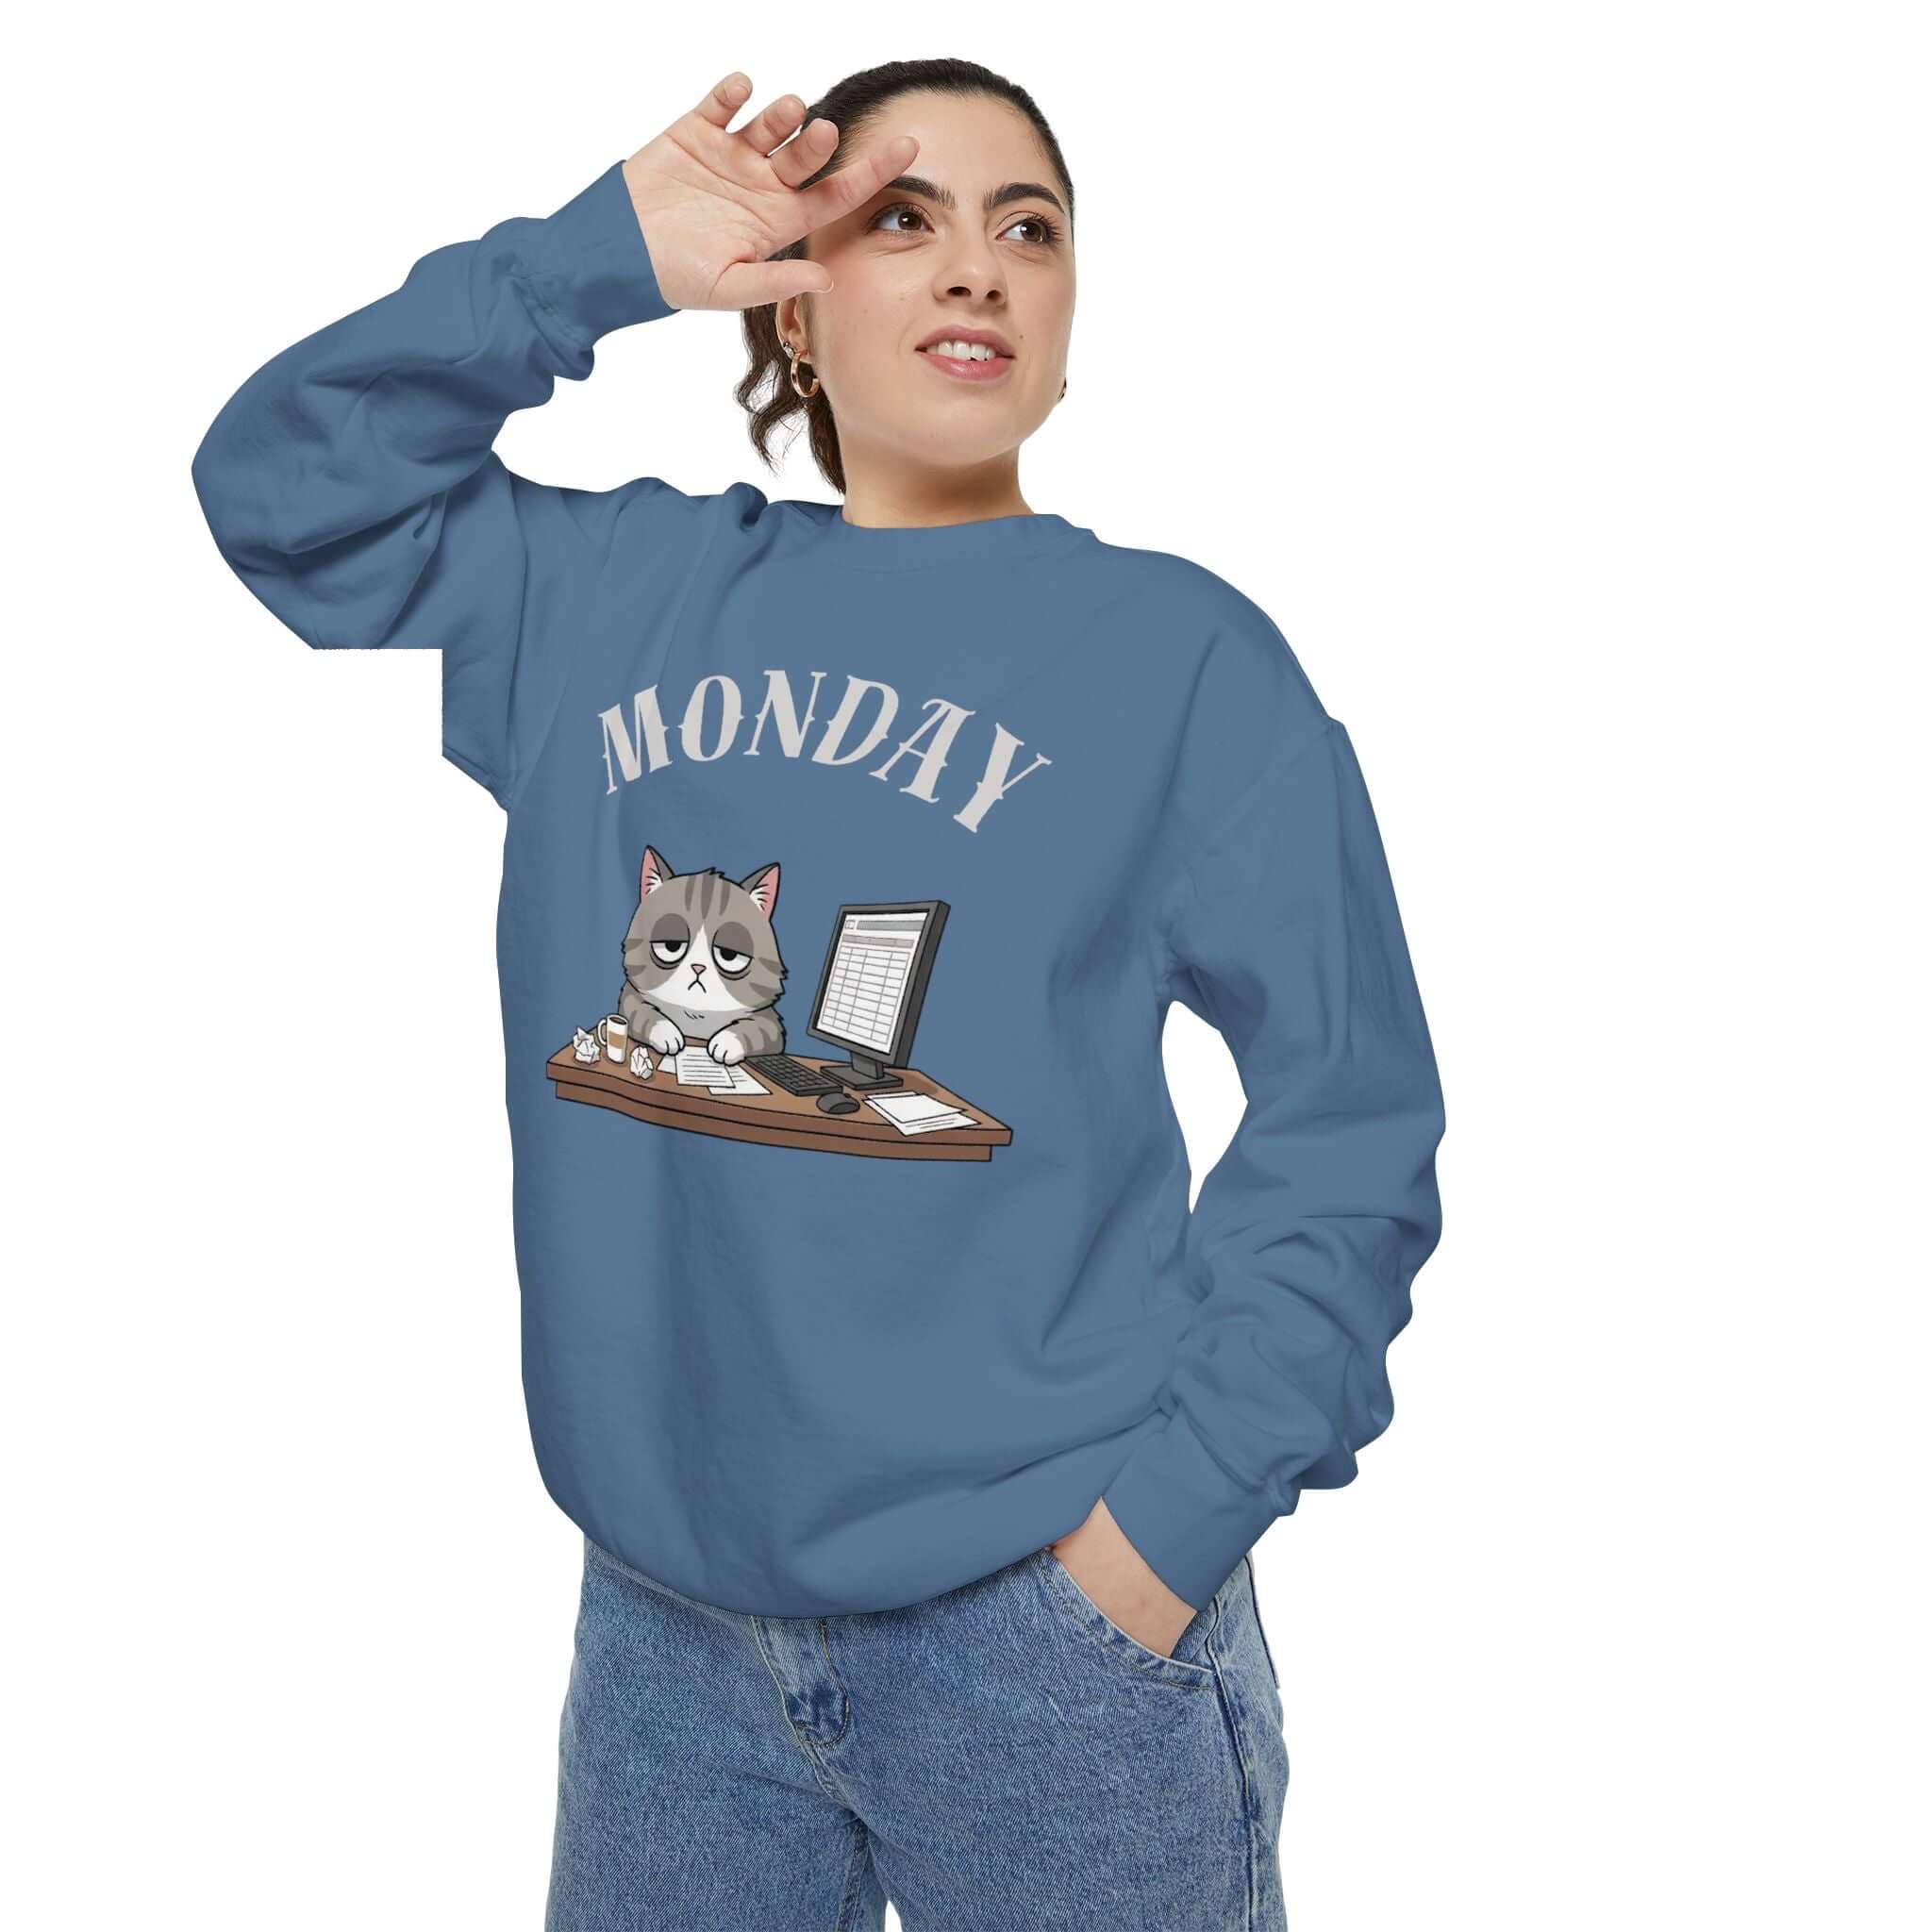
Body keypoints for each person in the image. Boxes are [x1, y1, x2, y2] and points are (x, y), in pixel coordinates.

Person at [191, 58, 1445, 1932]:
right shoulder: (604, 596)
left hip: (1051, 1634)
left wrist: (1165, 1535)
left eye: (1029, 228)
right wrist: (592, 259)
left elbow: (1350, 1116)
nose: (977, 267)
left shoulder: (1184, 659)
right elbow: (281, 492)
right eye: (901, 219)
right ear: (790, 298)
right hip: (664, 1638)